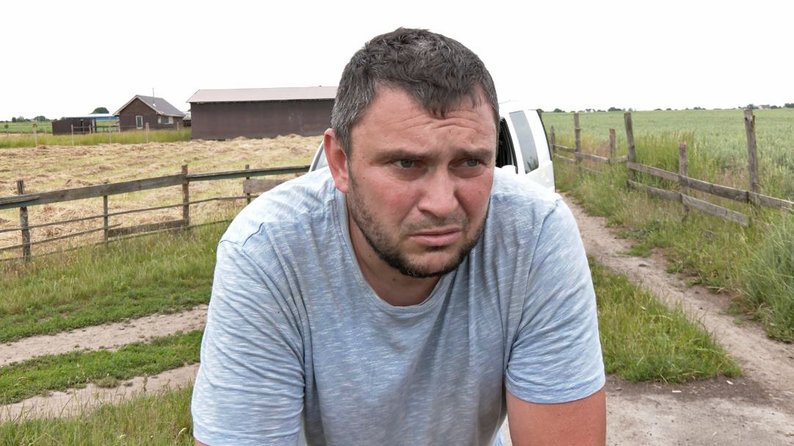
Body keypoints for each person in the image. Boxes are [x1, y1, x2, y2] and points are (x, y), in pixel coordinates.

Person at [191, 27, 606, 446]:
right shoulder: (268, 252)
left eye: (469, 163)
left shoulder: (532, 235)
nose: (442, 203)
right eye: (407, 164)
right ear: (340, 162)